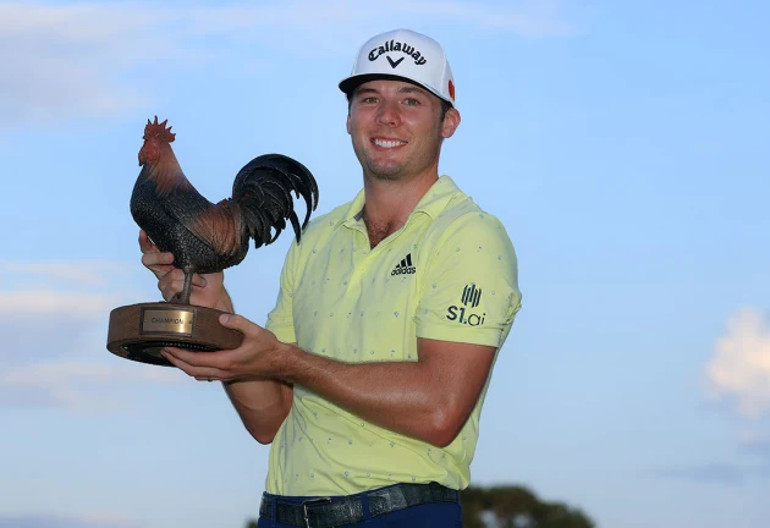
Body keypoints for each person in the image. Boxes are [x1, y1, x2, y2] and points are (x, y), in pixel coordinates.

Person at [140, 28, 522, 528]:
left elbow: (439, 409)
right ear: (348, 118)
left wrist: (285, 359)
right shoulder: (314, 240)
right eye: (369, 99)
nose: (387, 117)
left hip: (400, 514)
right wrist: (212, 300)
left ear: (448, 122)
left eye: (411, 99)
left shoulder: (470, 237)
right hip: (281, 513)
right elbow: (269, 418)